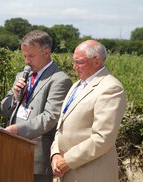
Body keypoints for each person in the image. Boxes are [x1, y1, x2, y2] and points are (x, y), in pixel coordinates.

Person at [0, 30, 72, 182]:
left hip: (36, 157)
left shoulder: (59, 80)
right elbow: (4, 111)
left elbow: (50, 118)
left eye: (31, 56)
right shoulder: (22, 76)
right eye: (24, 56)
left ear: (46, 52)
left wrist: (18, 129)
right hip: (12, 152)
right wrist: (14, 95)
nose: (26, 61)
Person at [50, 40, 126, 182]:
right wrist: (55, 154)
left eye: (79, 62)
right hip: (67, 172)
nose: (74, 67)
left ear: (96, 61)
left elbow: (102, 139)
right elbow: (61, 126)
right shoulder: (77, 85)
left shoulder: (111, 88)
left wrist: (67, 160)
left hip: (91, 174)